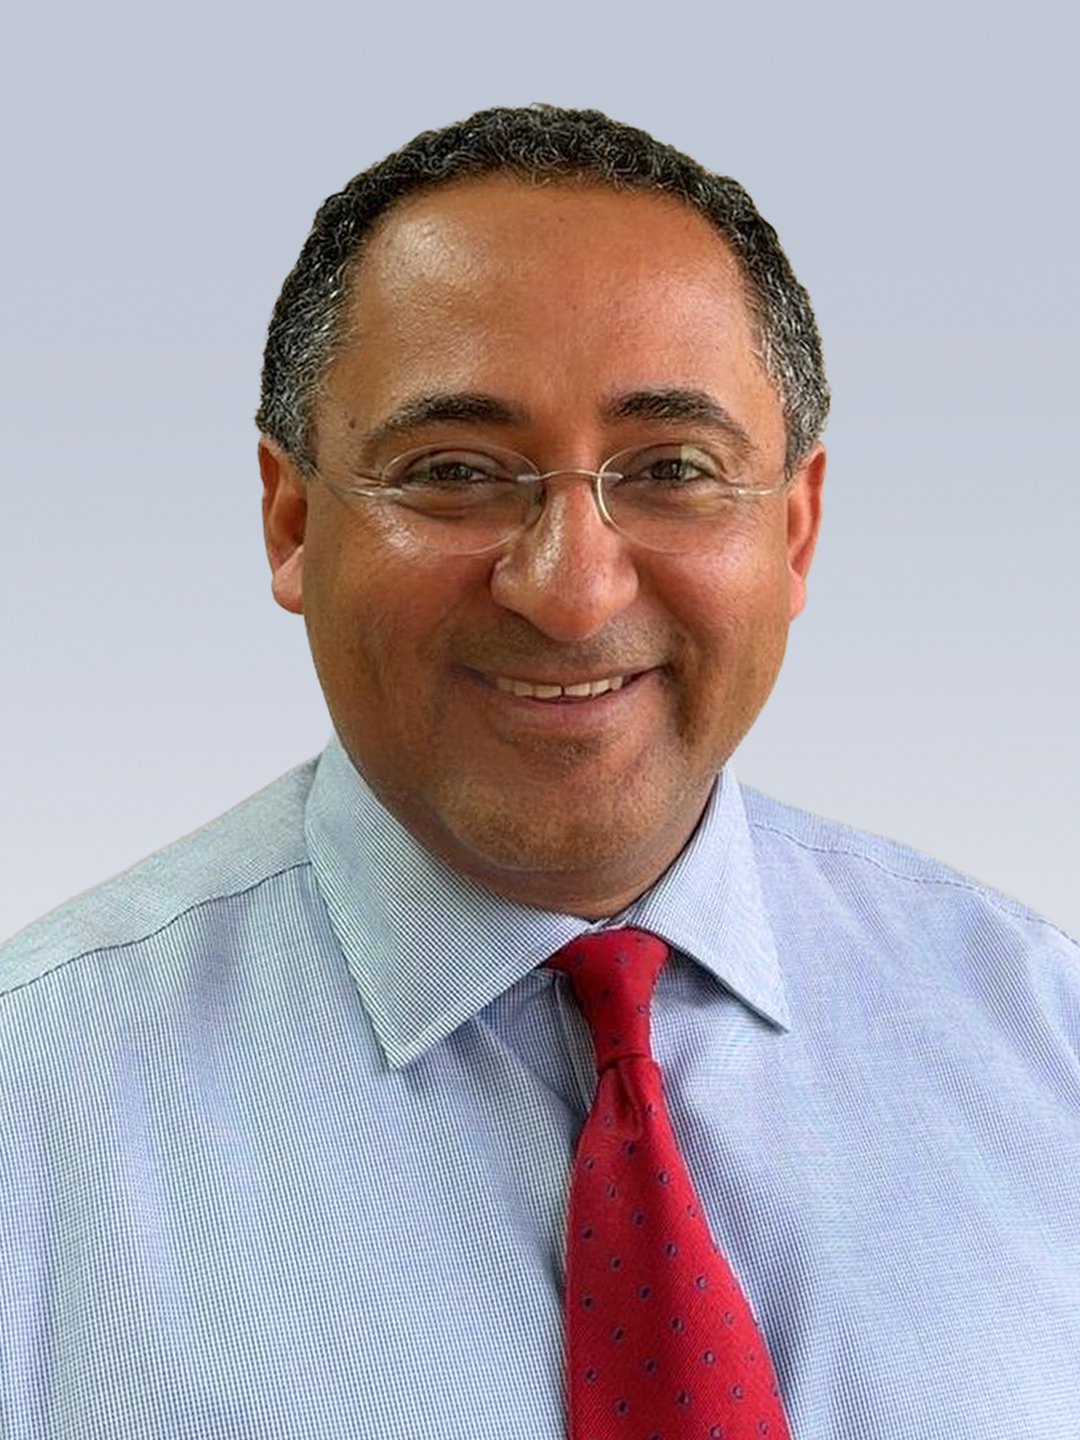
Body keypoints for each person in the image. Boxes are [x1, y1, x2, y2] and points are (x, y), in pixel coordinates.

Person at [2, 105, 1078, 1440]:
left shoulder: (1046, 1038)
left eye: (673, 469)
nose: (572, 592)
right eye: (455, 472)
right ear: (291, 520)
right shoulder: (29, 1113)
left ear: (795, 530)